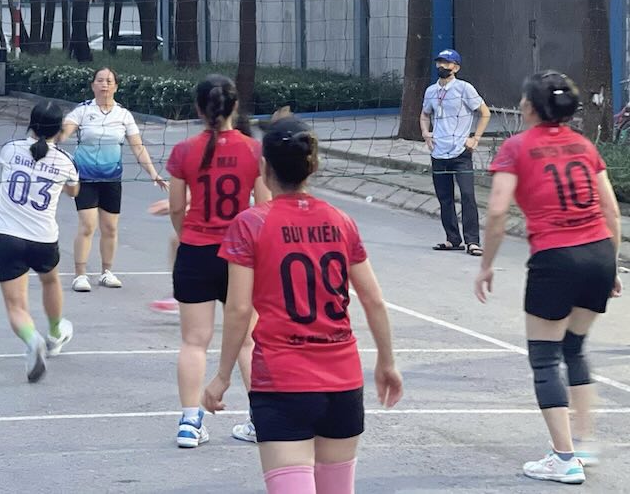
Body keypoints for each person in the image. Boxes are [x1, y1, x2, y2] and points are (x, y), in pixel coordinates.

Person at [203, 116, 403, 494]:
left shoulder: (250, 224)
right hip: (342, 379)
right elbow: (373, 299)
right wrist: (387, 362)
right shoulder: (341, 220)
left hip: (282, 381)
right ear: (312, 167)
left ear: (264, 168)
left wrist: (223, 375)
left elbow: (238, 309)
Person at [474, 71, 623, 485]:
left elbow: (498, 212)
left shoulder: (516, 148)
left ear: (531, 108)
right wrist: (610, 265)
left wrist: (486, 265)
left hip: (556, 257)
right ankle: (586, 443)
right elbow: (610, 211)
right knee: (574, 348)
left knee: (544, 357)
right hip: (597, 252)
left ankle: (564, 458)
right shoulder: (583, 145)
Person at [166, 75, 269, 448]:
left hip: (195, 251)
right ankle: (261, 418)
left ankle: (190, 422)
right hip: (239, 256)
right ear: (235, 107)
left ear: (198, 108)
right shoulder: (252, 151)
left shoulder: (183, 151)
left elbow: (177, 207)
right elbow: (265, 207)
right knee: (246, 341)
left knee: (194, 341)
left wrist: (190, 231)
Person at [0, 101, 80, 382]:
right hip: (42, 238)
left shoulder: (11, 149)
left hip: (6, 237)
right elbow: (74, 192)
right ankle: (55, 331)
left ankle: (32, 340)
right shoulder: (65, 161)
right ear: (59, 129)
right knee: (50, 280)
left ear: (31, 124)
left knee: (16, 306)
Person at [61, 67, 167, 292]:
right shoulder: (81, 111)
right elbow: (62, 134)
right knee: (88, 225)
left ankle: (106, 272)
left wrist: (153, 173)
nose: (104, 85)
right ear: (93, 85)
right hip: (85, 178)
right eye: (100, 80)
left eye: (109, 81)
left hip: (111, 179)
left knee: (110, 228)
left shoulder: (123, 115)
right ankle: (80, 275)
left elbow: (137, 147)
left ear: (116, 86)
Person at [420, 48, 491, 257]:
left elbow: (485, 113)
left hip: (461, 152)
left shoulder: (464, 89)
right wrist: (425, 133)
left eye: (447, 63)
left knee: (468, 195)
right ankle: (453, 239)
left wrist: (475, 138)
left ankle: (473, 241)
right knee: (445, 198)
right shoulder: (431, 91)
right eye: (439, 62)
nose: (442, 66)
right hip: (438, 152)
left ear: (456, 67)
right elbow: (424, 115)